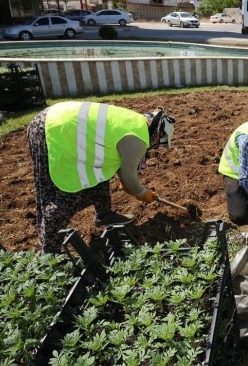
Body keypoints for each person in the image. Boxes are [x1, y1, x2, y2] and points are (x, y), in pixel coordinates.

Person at [27, 101, 175, 253]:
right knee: (62, 196)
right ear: (158, 135)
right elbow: (128, 174)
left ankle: (104, 215)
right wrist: (143, 193)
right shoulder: (138, 138)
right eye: (160, 144)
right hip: (53, 130)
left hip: (57, 119)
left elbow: (118, 160)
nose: (157, 147)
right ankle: (50, 251)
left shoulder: (136, 122)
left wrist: (127, 182)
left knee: (101, 170)